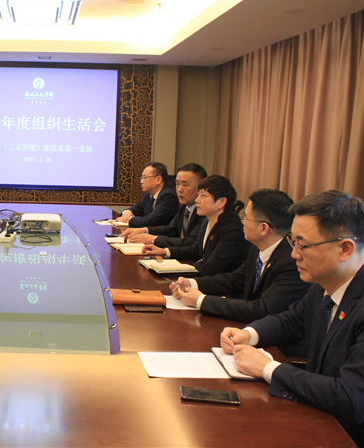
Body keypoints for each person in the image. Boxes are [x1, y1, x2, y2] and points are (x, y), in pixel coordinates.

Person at [220, 190, 364, 446]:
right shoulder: (324, 284)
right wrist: (248, 334)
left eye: (303, 245)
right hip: (316, 419)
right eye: (292, 242)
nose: (294, 254)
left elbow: (350, 397)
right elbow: (290, 321)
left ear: (345, 249)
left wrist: (268, 368)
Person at [169, 189, 310, 324]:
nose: (242, 221)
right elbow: (235, 280)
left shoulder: (291, 261)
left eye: (245, 217)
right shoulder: (257, 248)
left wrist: (200, 300)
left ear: (263, 228)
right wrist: (192, 283)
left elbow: (261, 309)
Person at [142, 175, 249, 276]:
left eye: (203, 195)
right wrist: (165, 251)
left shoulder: (232, 230)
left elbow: (210, 268)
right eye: (198, 195)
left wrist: (184, 267)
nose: (197, 200)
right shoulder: (207, 221)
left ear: (221, 202)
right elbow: (195, 250)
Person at [121, 163, 206, 247]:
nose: (179, 189)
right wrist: (145, 230)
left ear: (201, 188)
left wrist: (154, 239)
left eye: (185, 185)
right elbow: (171, 230)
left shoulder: (204, 211)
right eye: (177, 184)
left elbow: (190, 243)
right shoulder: (184, 206)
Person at [116, 161, 179, 228]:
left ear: (158, 179)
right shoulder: (148, 195)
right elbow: (135, 209)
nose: (141, 182)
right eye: (141, 178)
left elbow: (149, 221)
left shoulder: (169, 196)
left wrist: (129, 219)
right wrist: (127, 212)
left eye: (145, 178)